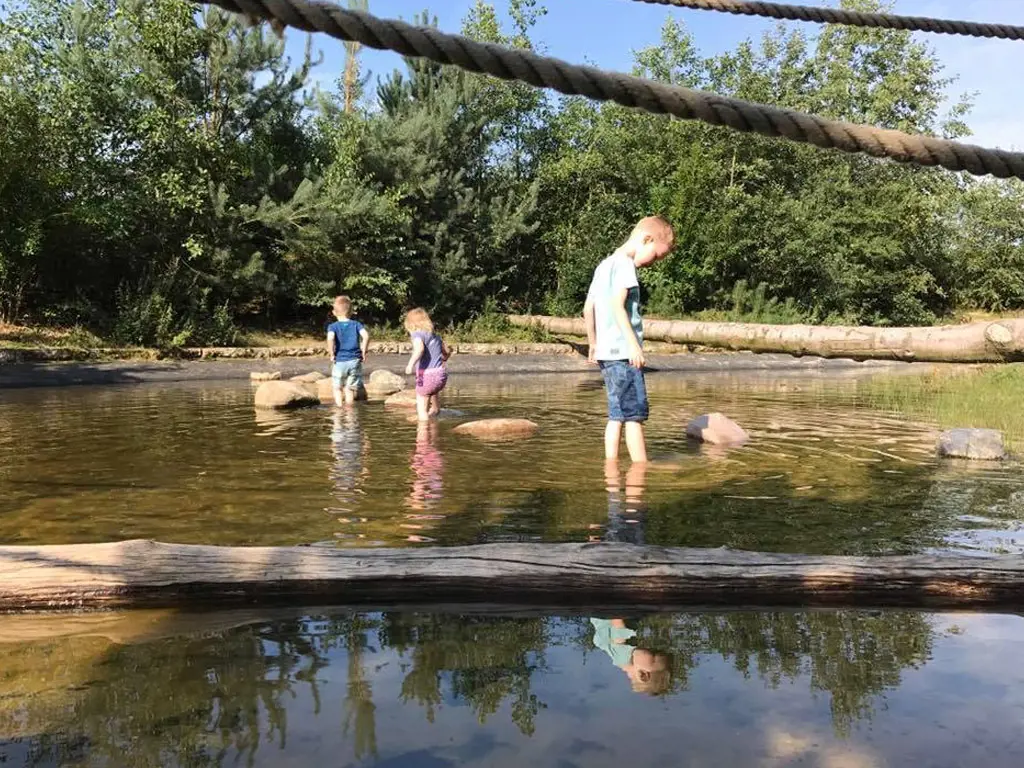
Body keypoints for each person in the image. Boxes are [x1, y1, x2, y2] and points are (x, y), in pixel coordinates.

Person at [583, 216, 674, 463]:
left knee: (616, 415)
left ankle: (610, 468)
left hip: (606, 354)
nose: (654, 263)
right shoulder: (625, 265)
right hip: (624, 354)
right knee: (634, 416)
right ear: (646, 239)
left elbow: (588, 308)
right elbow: (617, 305)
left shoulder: (603, 265)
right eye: (656, 256)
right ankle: (641, 469)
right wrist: (634, 346)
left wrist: (593, 343)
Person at [589, 617, 671, 695]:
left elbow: (618, 623)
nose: (650, 647)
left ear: (642, 674)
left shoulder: (623, 658)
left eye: (653, 653)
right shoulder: (628, 656)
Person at [404, 308, 452, 421]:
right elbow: (446, 353)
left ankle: (423, 434)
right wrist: (444, 359)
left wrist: (410, 364)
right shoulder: (436, 336)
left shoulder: (417, 335)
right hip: (440, 374)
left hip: (425, 375)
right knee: (432, 391)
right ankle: (435, 409)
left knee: (421, 408)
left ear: (410, 324)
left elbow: (419, 349)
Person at [326, 295, 369, 406]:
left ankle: (339, 411)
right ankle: (350, 413)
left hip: (340, 360)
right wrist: (363, 351)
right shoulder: (356, 324)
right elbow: (366, 336)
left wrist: (331, 353)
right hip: (355, 360)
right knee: (350, 389)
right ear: (351, 311)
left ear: (334, 312)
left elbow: (330, 338)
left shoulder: (333, 326)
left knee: (337, 388)